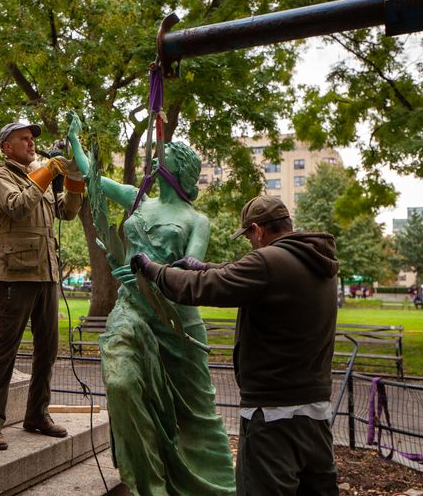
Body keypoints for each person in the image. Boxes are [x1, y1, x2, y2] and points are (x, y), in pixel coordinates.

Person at [131, 195, 340, 495]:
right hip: (315, 410)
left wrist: (153, 270)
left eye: (249, 237)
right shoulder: (317, 262)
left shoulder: (267, 261)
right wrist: (202, 266)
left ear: (257, 230)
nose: (251, 244)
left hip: (271, 416)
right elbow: (244, 275)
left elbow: (202, 289)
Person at [69, 125, 236, 495]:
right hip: (131, 312)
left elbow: (192, 271)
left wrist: (150, 272)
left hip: (175, 322)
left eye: (164, 157)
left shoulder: (197, 220)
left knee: (195, 416)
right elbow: (95, 179)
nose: (155, 159)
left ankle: (208, 485)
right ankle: (150, 484)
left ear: (178, 171)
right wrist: (76, 142)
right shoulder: (137, 201)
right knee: (121, 382)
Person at [0, 120, 84, 450]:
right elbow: (17, 206)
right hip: (15, 274)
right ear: (6, 147)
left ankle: (37, 414)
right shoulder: (1, 177)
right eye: (23, 139)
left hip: (47, 273)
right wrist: (47, 172)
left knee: (48, 349)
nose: (31, 143)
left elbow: (66, 212)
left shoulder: (37, 176)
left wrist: (74, 177)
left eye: (31, 139)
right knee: (5, 350)